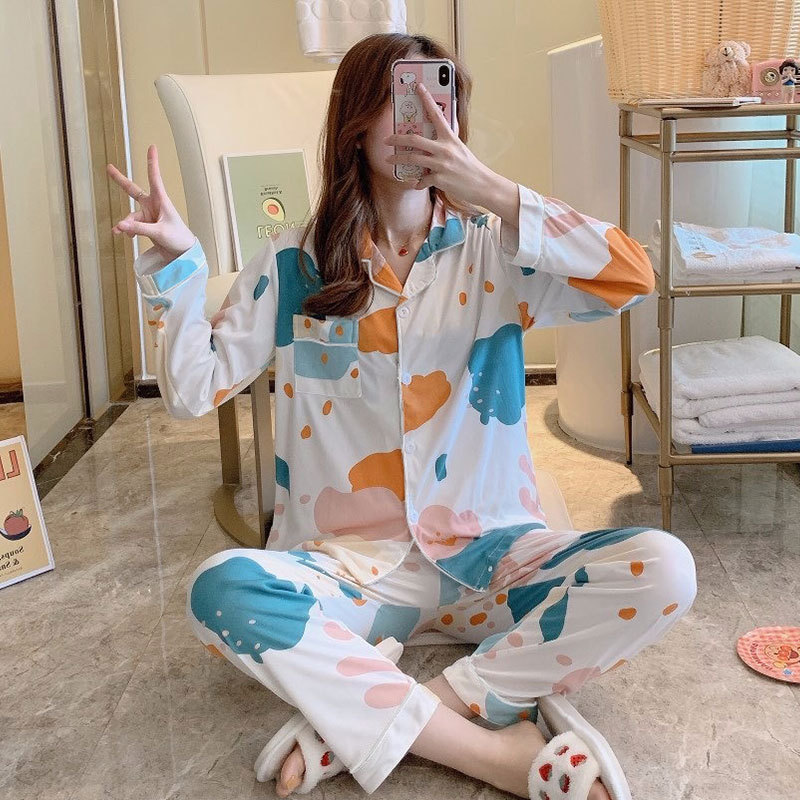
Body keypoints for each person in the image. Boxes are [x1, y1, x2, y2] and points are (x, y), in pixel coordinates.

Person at [108, 32, 696, 800]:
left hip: (494, 564)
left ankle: (393, 715)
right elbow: (191, 392)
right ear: (355, 122)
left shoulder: (497, 251)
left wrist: (493, 190)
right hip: (352, 576)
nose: (421, 114)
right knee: (220, 588)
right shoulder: (295, 264)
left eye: (435, 92)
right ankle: (495, 754)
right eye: (397, 96)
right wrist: (179, 268)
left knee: (665, 569)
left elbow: (632, 276)